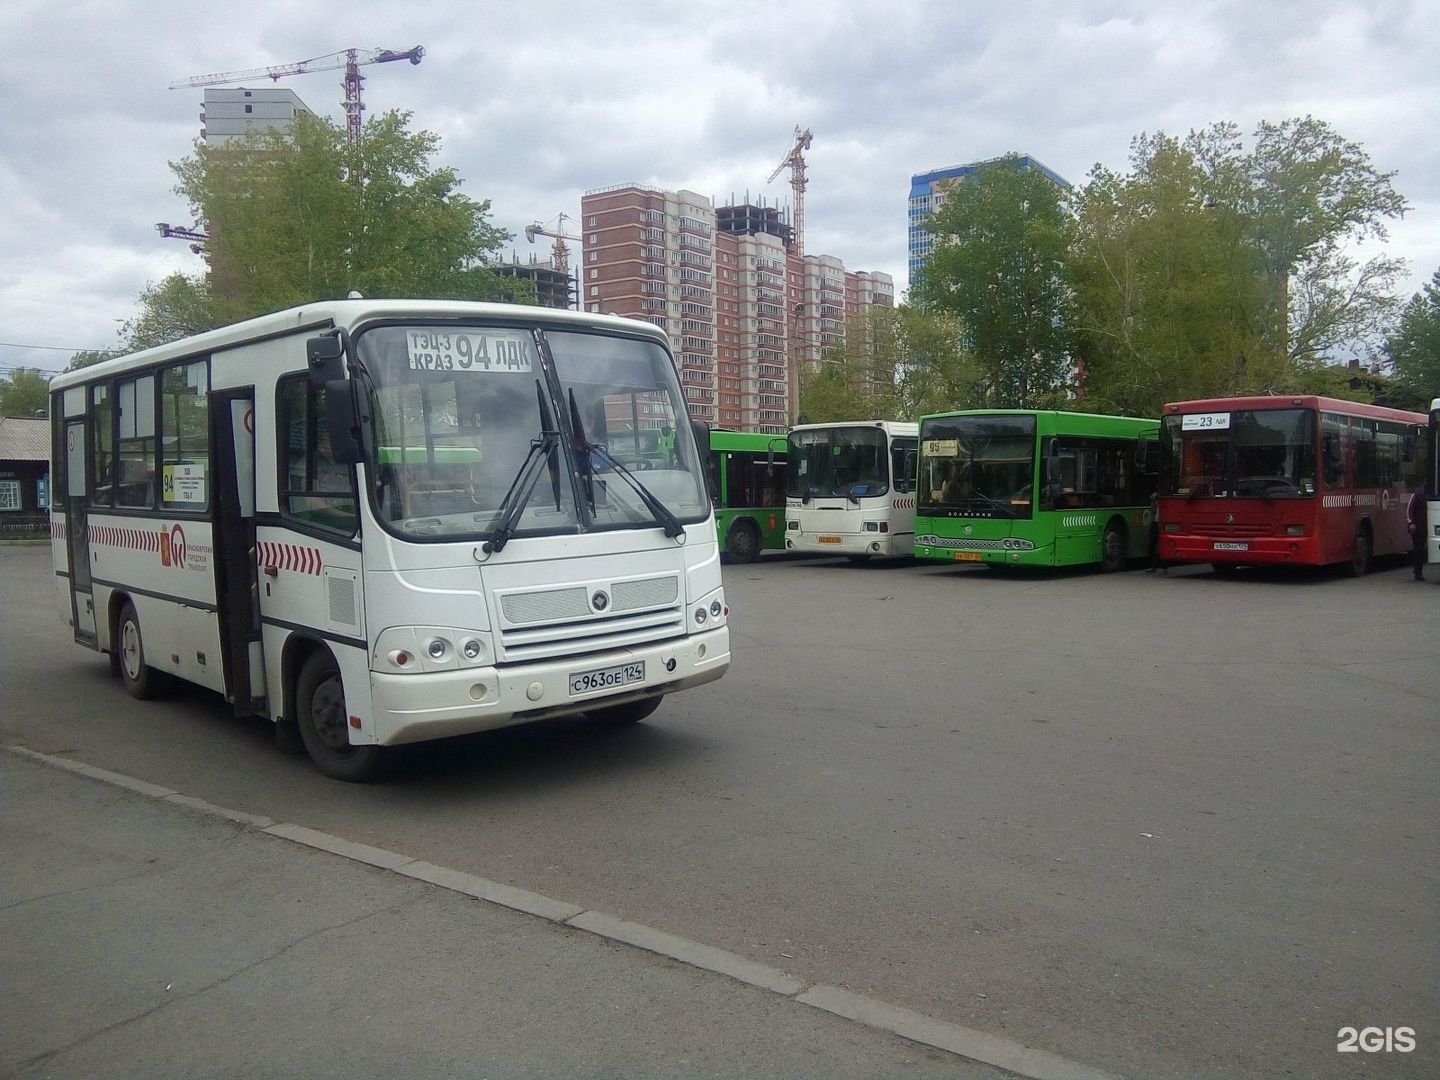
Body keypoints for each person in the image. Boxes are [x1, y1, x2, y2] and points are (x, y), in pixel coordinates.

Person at [1407, 488, 1428, 581]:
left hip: (1427, 526)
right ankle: (1418, 572)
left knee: (1421, 549)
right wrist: (1411, 523)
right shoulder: (1418, 493)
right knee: (1418, 549)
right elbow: (1409, 509)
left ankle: (1419, 571)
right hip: (1419, 527)